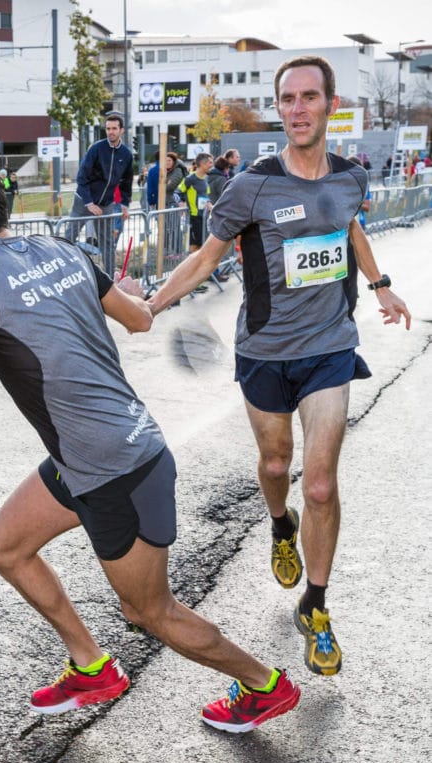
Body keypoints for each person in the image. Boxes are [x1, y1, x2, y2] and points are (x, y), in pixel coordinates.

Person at [0, 163, 301, 734]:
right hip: (88, 459)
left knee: (149, 611)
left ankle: (266, 686)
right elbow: (139, 319)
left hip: (117, 471)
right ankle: (91, 666)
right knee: (4, 546)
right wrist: (132, 295)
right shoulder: (60, 249)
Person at [146, 55, 411, 678]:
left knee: (319, 482)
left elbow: (349, 227)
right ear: (280, 107)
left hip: (330, 348)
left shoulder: (351, 177)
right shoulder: (252, 185)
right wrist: (153, 304)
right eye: (287, 98)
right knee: (274, 465)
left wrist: (381, 285)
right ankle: (278, 522)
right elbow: (208, 257)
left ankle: (315, 607)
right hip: (265, 350)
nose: (297, 108)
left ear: (329, 104)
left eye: (309, 97)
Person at [68, 113, 133, 275]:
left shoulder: (126, 154)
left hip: (106, 204)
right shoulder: (96, 149)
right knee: (68, 239)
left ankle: (110, 279)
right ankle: (63, 274)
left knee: (108, 243)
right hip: (83, 201)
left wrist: (125, 204)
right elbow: (81, 178)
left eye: (114, 129)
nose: (111, 132)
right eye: (108, 128)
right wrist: (89, 203)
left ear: (122, 131)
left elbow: (126, 181)